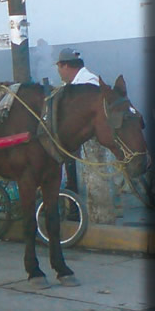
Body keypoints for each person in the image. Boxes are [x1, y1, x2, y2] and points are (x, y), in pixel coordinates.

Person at [55, 47, 98, 199]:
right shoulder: (72, 84)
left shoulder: (88, 82)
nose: (58, 72)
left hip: (89, 145)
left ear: (65, 66)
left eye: (59, 67)